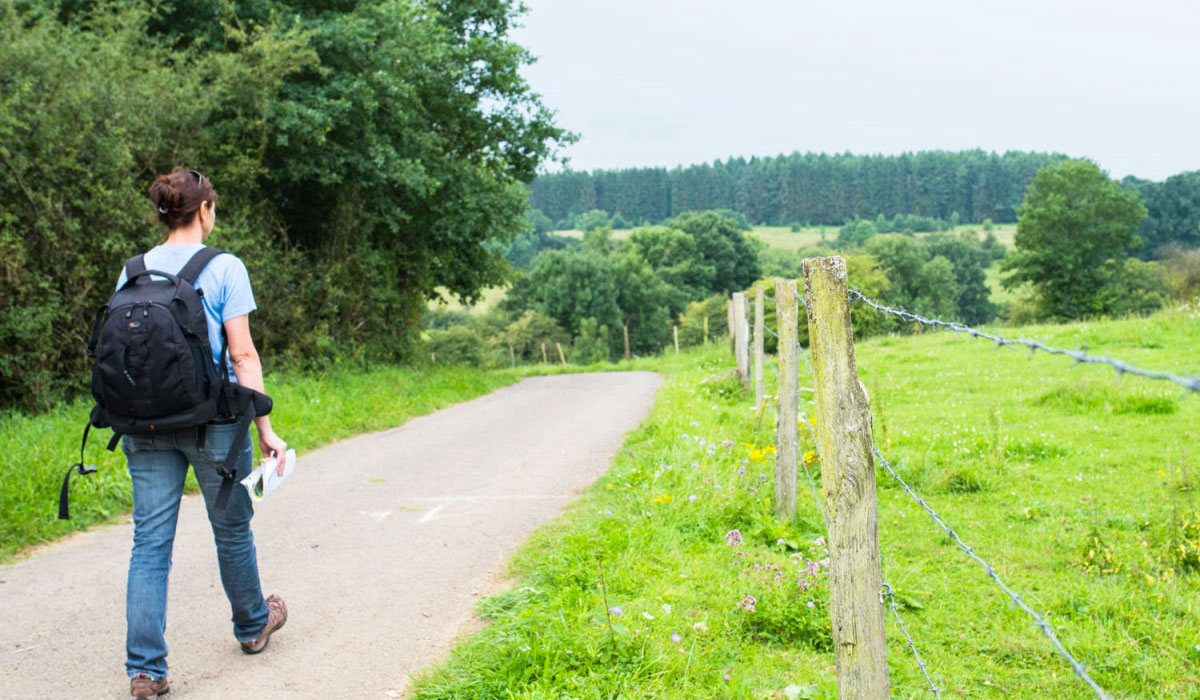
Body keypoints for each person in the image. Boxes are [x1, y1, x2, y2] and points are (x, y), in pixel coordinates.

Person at [118, 168, 288, 700]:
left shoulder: (132, 270)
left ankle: (145, 670)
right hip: (214, 421)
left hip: (143, 422)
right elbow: (242, 354)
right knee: (232, 528)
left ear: (164, 214)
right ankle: (253, 624)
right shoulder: (224, 267)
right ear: (205, 211)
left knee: (149, 543)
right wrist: (264, 426)